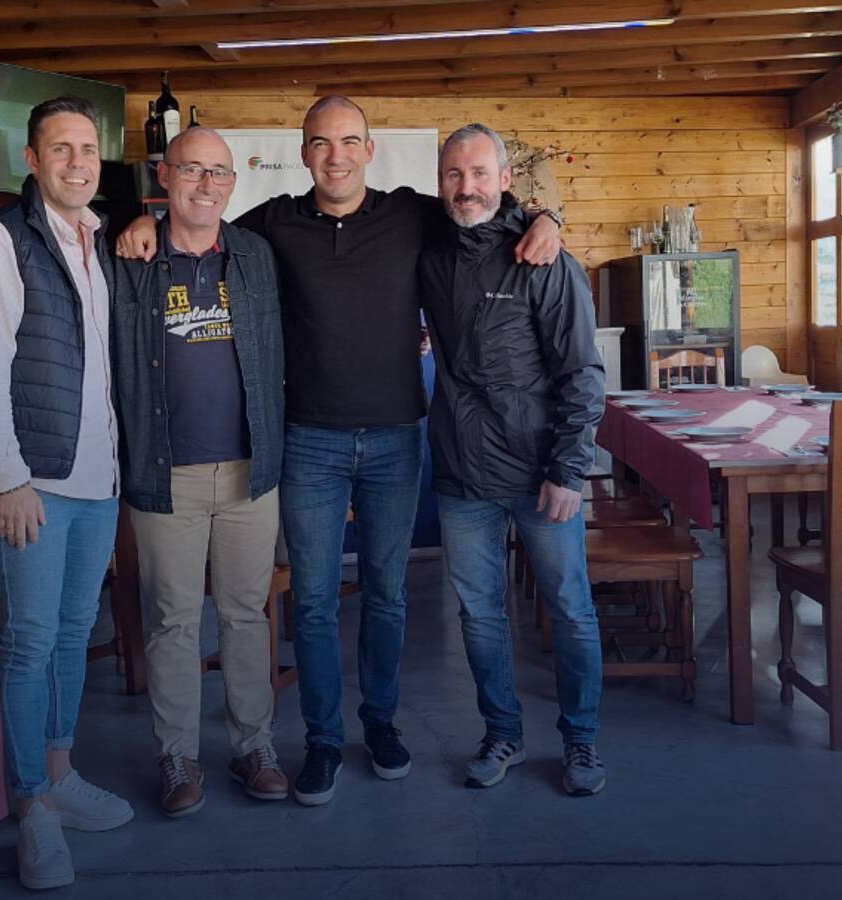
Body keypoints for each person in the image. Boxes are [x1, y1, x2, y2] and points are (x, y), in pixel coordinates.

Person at [118, 96, 562, 807]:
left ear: (369, 150)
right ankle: (323, 739)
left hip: (394, 440)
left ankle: (380, 724)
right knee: (316, 603)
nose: (336, 156)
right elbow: (199, 225)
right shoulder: (273, 224)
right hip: (308, 443)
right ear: (303, 154)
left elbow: (482, 207)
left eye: (349, 141)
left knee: (386, 597)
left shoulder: (411, 213)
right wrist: (141, 221)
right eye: (322, 143)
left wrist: (547, 218)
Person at [0, 96, 132, 891]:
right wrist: (8, 478)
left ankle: (59, 774)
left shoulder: (97, 239)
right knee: (27, 643)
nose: (76, 162)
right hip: (31, 482)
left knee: (71, 634)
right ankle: (30, 806)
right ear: (31, 159)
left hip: (97, 478)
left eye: (87, 149)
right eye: (60, 149)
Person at [419, 123, 607, 797]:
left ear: (504, 180)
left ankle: (581, 740)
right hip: (462, 474)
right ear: (440, 182)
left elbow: (583, 372)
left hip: (540, 475)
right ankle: (502, 733)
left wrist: (569, 470)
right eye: (453, 174)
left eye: (478, 173)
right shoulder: (429, 250)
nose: (465, 187)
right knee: (479, 615)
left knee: (570, 609)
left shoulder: (543, 257)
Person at [112, 127, 289, 818]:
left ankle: (254, 746)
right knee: (173, 621)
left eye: (219, 172)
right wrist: (135, 220)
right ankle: (177, 756)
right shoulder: (129, 257)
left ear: (233, 183)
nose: (207, 184)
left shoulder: (255, 254)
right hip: (165, 473)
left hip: (251, 468)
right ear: (164, 175)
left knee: (246, 614)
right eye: (192, 170)